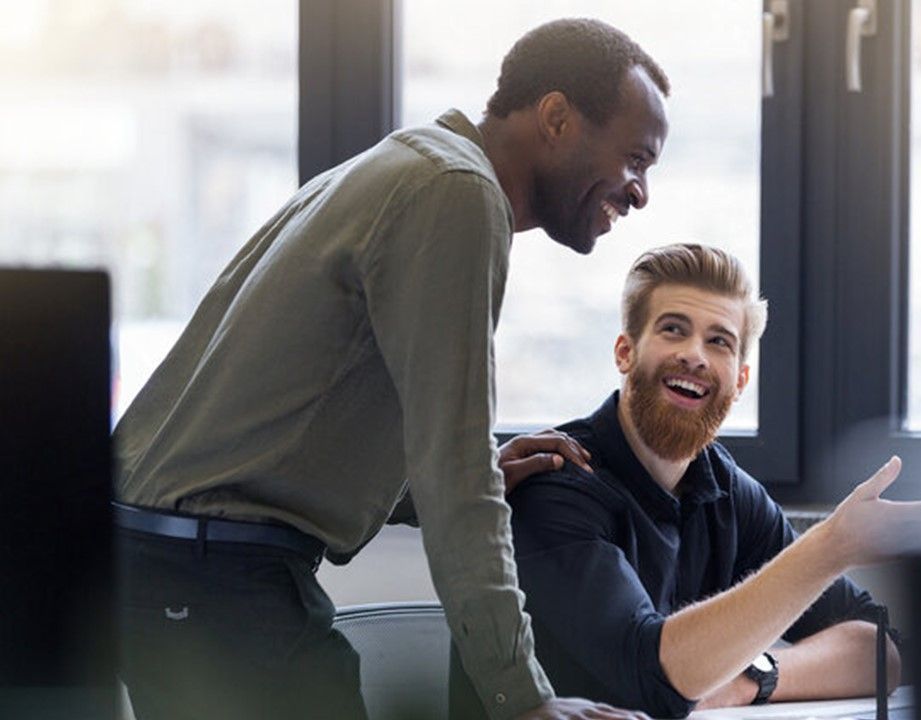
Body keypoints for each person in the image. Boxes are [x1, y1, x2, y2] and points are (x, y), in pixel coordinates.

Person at [112, 18, 667, 720]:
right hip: (214, 579)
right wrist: (522, 700)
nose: (641, 192)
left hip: (180, 569)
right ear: (556, 117)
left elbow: (309, 409)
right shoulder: (456, 193)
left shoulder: (408, 165)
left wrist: (461, 475)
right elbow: (454, 472)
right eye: (636, 159)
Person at [499, 244, 921, 717]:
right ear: (625, 352)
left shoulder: (725, 489)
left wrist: (751, 678)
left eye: (719, 341)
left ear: (740, 380)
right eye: (673, 330)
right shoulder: (556, 479)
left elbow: (881, 648)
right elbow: (654, 677)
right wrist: (830, 546)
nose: (695, 355)